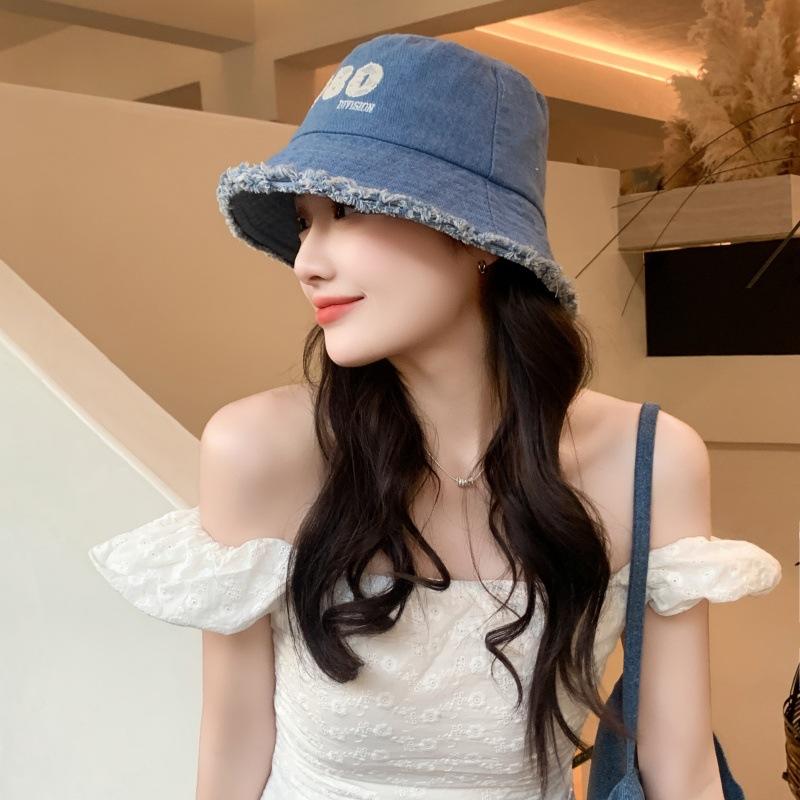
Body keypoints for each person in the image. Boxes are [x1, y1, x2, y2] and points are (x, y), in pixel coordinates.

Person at [87, 33, 782, 800]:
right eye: (305, 220)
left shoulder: (648, 459)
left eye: (348, 209)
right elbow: (231, 759)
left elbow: (682, 774)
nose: (307, 262)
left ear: (480, 239)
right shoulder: (259, 450)